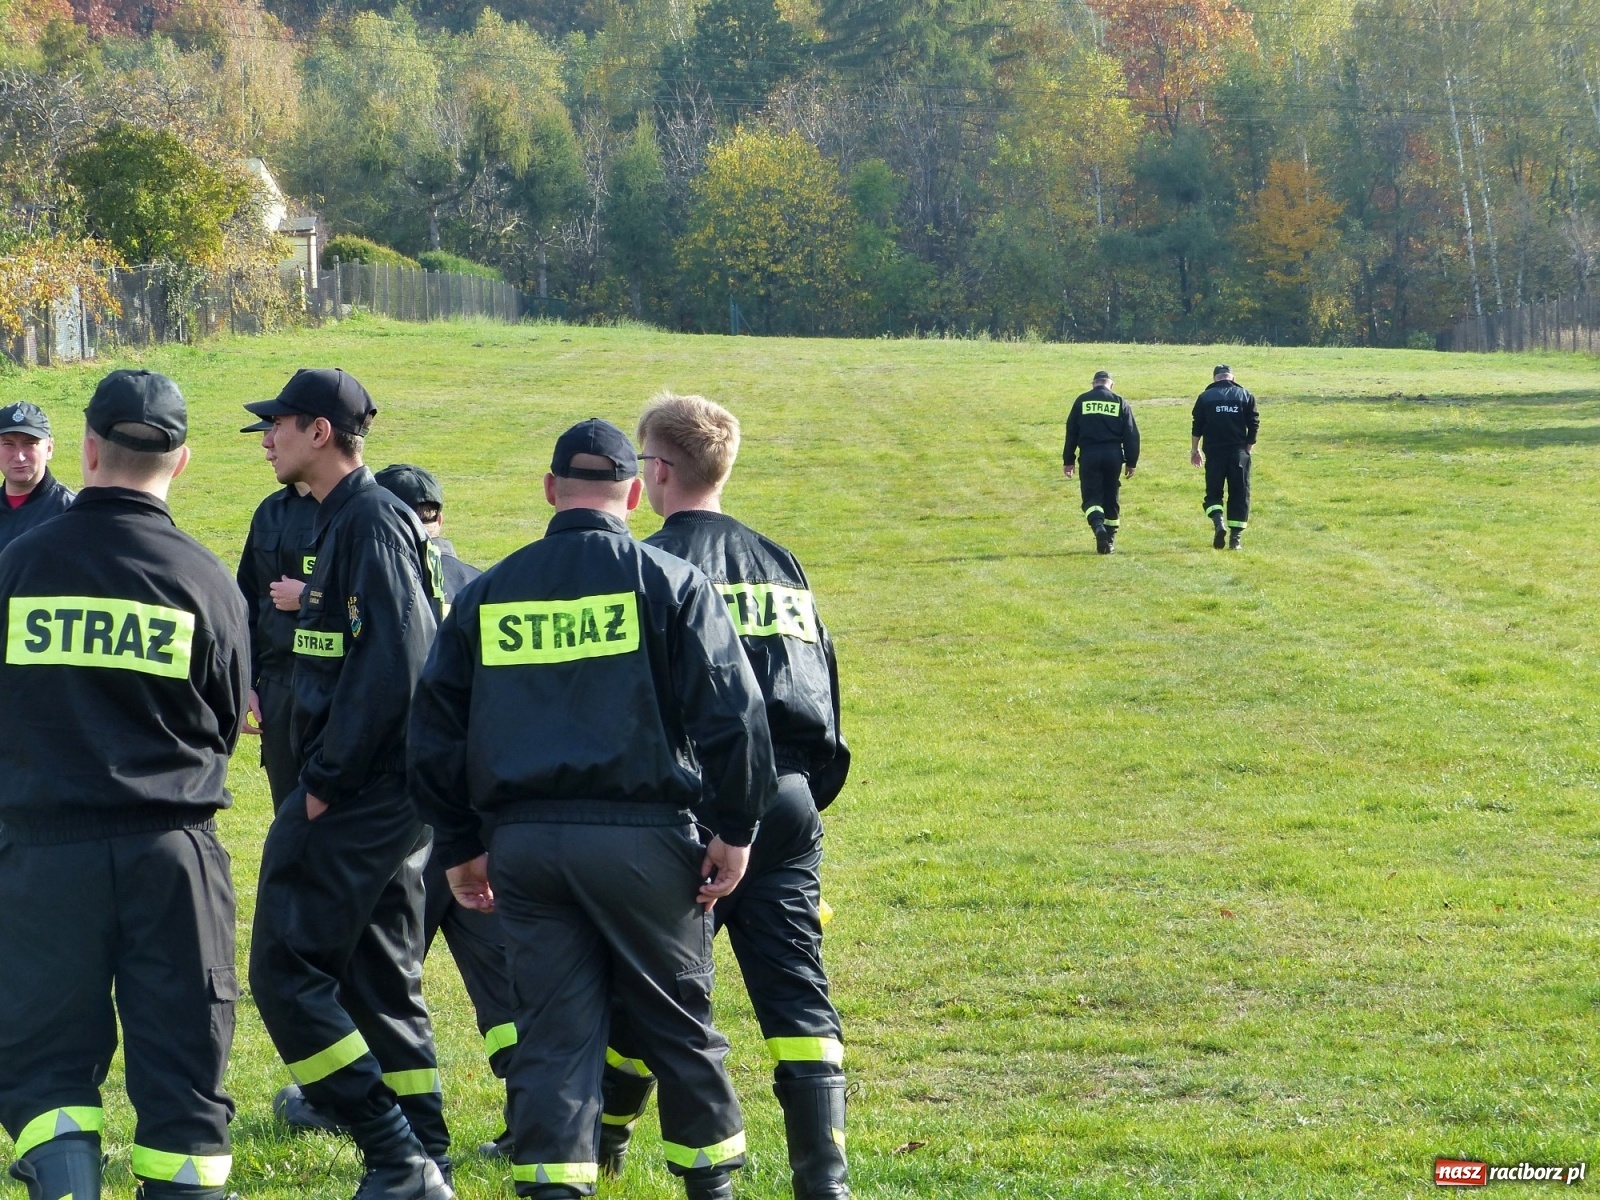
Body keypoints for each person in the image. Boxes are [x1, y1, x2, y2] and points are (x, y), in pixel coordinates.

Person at [408, 418, 777, 1200]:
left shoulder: (487, 593)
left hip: (526, 848)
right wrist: (737, 829)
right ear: (636, 495)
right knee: (678, 1026)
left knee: (550, 1035)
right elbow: (734, 717)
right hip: (644, 843)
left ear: (550, 491)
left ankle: (553, 1187)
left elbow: (433, 729)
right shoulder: (670, 582)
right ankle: (712, 1190)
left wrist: (460, 843)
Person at [596, 392, 853, 1199]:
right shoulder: (783, 563)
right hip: (787, 801)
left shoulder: (650, 570)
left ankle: (601, 1139)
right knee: (797, 994)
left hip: (693, 811)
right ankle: (826, 1180)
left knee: (659, 991)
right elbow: (824, 689)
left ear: (659, 471)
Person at [0, 369, 249, 1200]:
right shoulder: (208, 582)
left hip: (40, 859)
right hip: (171, 854)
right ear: (182, 463)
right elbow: (224, 721)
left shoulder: (18, 567)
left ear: (88, 448)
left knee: (44, 1069)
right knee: (183, 1075)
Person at [242, 369, 453, 1200]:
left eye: (278, 425)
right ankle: (425, 1144)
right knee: (376, 965)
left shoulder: (368, 520)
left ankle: (392, 1150)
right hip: (377, 791)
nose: (266, 438)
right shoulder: (339, 519)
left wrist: (325, 783)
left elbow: (396, 667)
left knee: (284, 968)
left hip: (362, 791)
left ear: (320, 433)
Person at [372, 463, 518, 1158]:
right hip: (482, 812)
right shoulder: (490, 588)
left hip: (405, 813)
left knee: (383, 970)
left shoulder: (372, 584)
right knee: (502, 976)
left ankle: (384, 1122)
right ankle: (535, 1113)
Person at [236, 418, 320, 808]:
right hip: (277, 689)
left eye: (273, 432)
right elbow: (245, 604)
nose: (266, 445)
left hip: (332, 685)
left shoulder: (356, 514)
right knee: (288, 815)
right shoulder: (269, 512)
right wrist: (245, 683)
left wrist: (311, 597)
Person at [1062, 371, 1139, 554]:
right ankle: (1109, 541)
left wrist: (1068, 460)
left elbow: (1071, 431)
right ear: (1111, 385)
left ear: (1093, 384)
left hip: (1089, 454)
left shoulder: (1082, 401)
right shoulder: (1119, 401)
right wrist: (1131, 462)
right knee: (1111, 496)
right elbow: (1131, 434)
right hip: (1113, 455)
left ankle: (1098, 526)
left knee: (1091, 496)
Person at [1190, 365, 1260, 550]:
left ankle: (1218, 522)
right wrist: (1248, 448)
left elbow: (1197, 426)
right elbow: (1254, 423)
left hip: (1214, 453)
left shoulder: (1205, 397)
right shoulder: (1245, 395)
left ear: (1215, 378)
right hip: (1238, 453)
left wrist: (1195, 450)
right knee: (1240, 493)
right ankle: (1235, 539)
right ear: (1232, 377)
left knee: (1213, 492)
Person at [0, 400, 75, 553]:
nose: (19, 457)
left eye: (30, 443)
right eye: (8, 444)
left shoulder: (72, 513)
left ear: (49, 448)